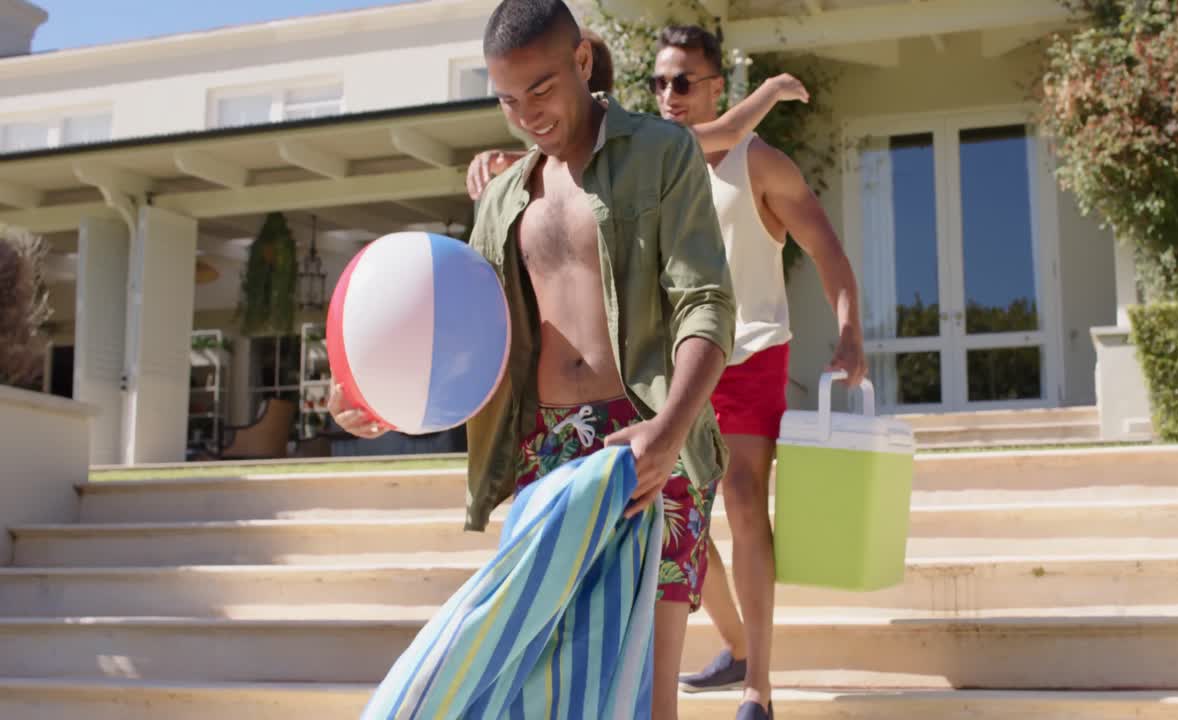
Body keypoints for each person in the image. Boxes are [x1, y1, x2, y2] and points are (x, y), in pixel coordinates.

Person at [330, 1, 736, 718]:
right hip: (543, 452)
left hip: (647, 442)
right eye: (508, 100)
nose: (526, 114)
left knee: (648, 696)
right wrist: (378, 397)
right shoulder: (502, 200)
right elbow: (469, 337)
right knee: (538, 693)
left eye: (541, 90)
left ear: (582, 62)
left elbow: (706, 302)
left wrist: (670, 431)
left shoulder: (661, 154)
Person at [650, 25, 868, 720]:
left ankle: (759, 690)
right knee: (675, 517)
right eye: (658, 82)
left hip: (753, 352)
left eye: (683, 81)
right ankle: (737, 645)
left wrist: (850, 331)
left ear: (719, 86)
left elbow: (826, 247)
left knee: (744, 501)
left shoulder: (761, 165)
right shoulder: (660, 164)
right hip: (680, 366)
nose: (668, 95)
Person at [466, 36, 810, 201]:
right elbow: (554, 160)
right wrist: (504, 160)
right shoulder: (631, 141)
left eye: (542, 88)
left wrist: (773, 87)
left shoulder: (640, 140)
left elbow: (730, 131)